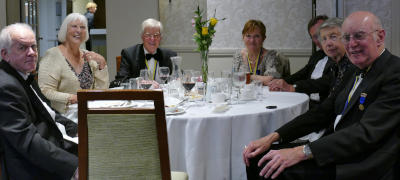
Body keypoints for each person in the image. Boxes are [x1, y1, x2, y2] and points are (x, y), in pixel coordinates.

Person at [243, 11, 400, 180]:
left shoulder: (394, 72)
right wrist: (274, 136)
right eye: (347, 37)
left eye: (359, 36)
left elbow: (366, 133)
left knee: (273, 168)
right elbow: (323, 112)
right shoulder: (354, 70)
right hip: (335, 147)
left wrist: (301, 152)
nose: (352, 44)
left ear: (380, 37)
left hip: (361, 161)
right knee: (256, 157)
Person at [0, 23, 78, 180]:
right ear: (4, 54)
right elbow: (27, 142)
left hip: (54, 144)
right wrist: (73, 167)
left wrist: (78, 130)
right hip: (34, 166)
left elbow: (50, 114)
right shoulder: (5, 86)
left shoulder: (24, 74)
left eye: (33, 47)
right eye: (22, 48)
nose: (32, 53)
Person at [38, 13, 109, 114]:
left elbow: (102, 91)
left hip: (89, 113)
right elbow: (45, 91)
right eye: (74, 26)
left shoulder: (88, 56)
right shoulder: (52, 55)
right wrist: (73, 98)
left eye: (82, 27)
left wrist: (102, 63)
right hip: (64, 117)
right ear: (65, 30)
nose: (79, 30)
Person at [268, 15, 333, 108]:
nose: (320, 38)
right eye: (315, 36)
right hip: (307, 101)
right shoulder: (317, 55)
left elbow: (324, 82)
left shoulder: (339, 58)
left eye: (321, 33)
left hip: (323, 106)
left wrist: (293, 87)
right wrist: (279, 82)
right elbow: (301, 74)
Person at [112, 18, 177, 87]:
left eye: (156, 35)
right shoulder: (129, 54)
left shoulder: (170, 55)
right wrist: (138, 82)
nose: (152, 39)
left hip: (163, 96)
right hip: (139, 96)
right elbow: (119, 81)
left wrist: (179, 79)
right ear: (142, 37)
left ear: (160, 38)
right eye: (148, 35)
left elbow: (177, 77)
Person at [233, 19, 290, 85]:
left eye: (257, 36)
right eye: (248, 36)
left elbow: (272, 79)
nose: (252, 40)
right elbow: (235, 78)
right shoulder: (238, 55)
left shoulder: (271, 56)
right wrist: (261, 78)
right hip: (245, 93)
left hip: (267, 93)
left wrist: (248, 77)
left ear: (263, 38)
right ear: (243, 37)